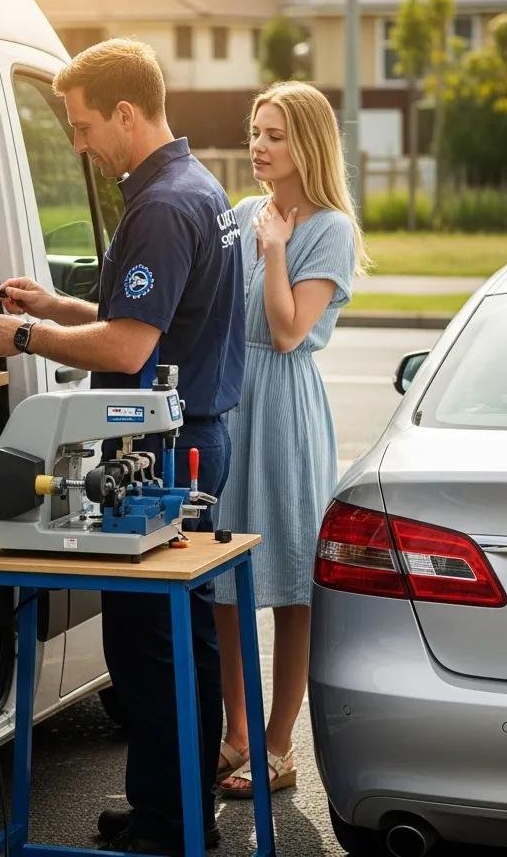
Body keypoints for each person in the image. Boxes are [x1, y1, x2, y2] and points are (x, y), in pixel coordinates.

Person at [0, 38, 245, 855]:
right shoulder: (194, 188)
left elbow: (130, 350)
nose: (80, 143)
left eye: (85, 126)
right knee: (179, 638)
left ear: (127, 113)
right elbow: (149, 320)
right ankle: (180, 807)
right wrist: (58, 305)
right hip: (194, 437)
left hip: (159, 448)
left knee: (148, 646)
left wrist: (24, 333)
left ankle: (168, 826)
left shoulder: (160, 205)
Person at [212, 82, 366, 800]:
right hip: (231, 404)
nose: (258, 146)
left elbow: (286, 330)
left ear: (305, 143)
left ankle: (278, 747)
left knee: (291, 587)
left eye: (273, 134)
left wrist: (275, 249)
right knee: (223, 576)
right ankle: (234, 734)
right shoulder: (242, 212)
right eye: (254, 130)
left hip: (285, 411)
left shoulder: (330, 228)